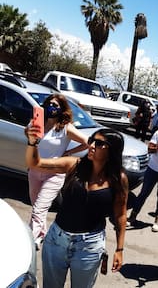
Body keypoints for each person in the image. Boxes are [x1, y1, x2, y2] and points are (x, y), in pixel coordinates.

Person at [25, 127, 128, 288]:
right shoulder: (73, 165)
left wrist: (119, 249)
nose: (92, 145)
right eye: (91, 140)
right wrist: (33, 142)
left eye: (99, 143)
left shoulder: (118, 179)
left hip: (89, 247)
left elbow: (121, 215)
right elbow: (35, 163)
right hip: (56, 241)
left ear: (112, 151)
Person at [25, 94, 88, 250]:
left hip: (54, 173)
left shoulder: (65, 127)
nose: (52, 107)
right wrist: (29, 133)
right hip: (34, 170)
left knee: (39, 208)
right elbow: (28, 135)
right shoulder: (38, 122)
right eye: (49, 104)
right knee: (37, 208)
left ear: (62, 109)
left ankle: (29, 243)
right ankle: (41, 234)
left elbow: (87, 142)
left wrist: (68, 152)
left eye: (56, 105)